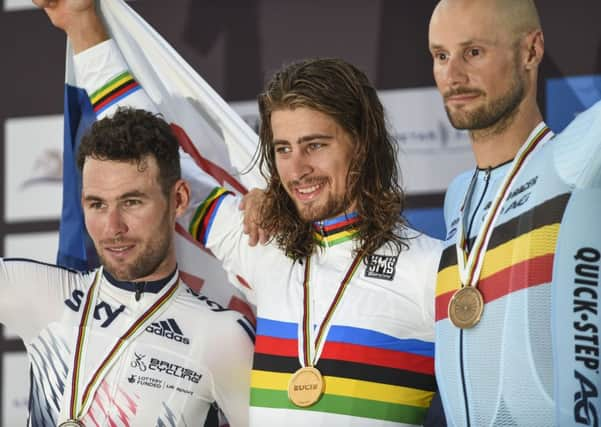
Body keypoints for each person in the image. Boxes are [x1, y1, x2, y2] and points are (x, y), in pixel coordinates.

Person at [37, 0, 444, 425]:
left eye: (316, 145)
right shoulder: (263, 247)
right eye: (283, 149)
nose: (298, 168)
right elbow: (156, 153)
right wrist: (82, 23)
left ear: (361, 142)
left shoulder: (430, 269)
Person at [0, 106, 253, 426]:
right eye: (97, 204)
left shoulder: (222, 335)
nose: (112, 227)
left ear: (179, 199)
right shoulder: (38, 291)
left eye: (131, 202)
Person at [428, 0, 601, 425]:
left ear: (531, 51)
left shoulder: (579, 157)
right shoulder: (458, 198)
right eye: (441, 56)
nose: (453, 76)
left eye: (473, 52)